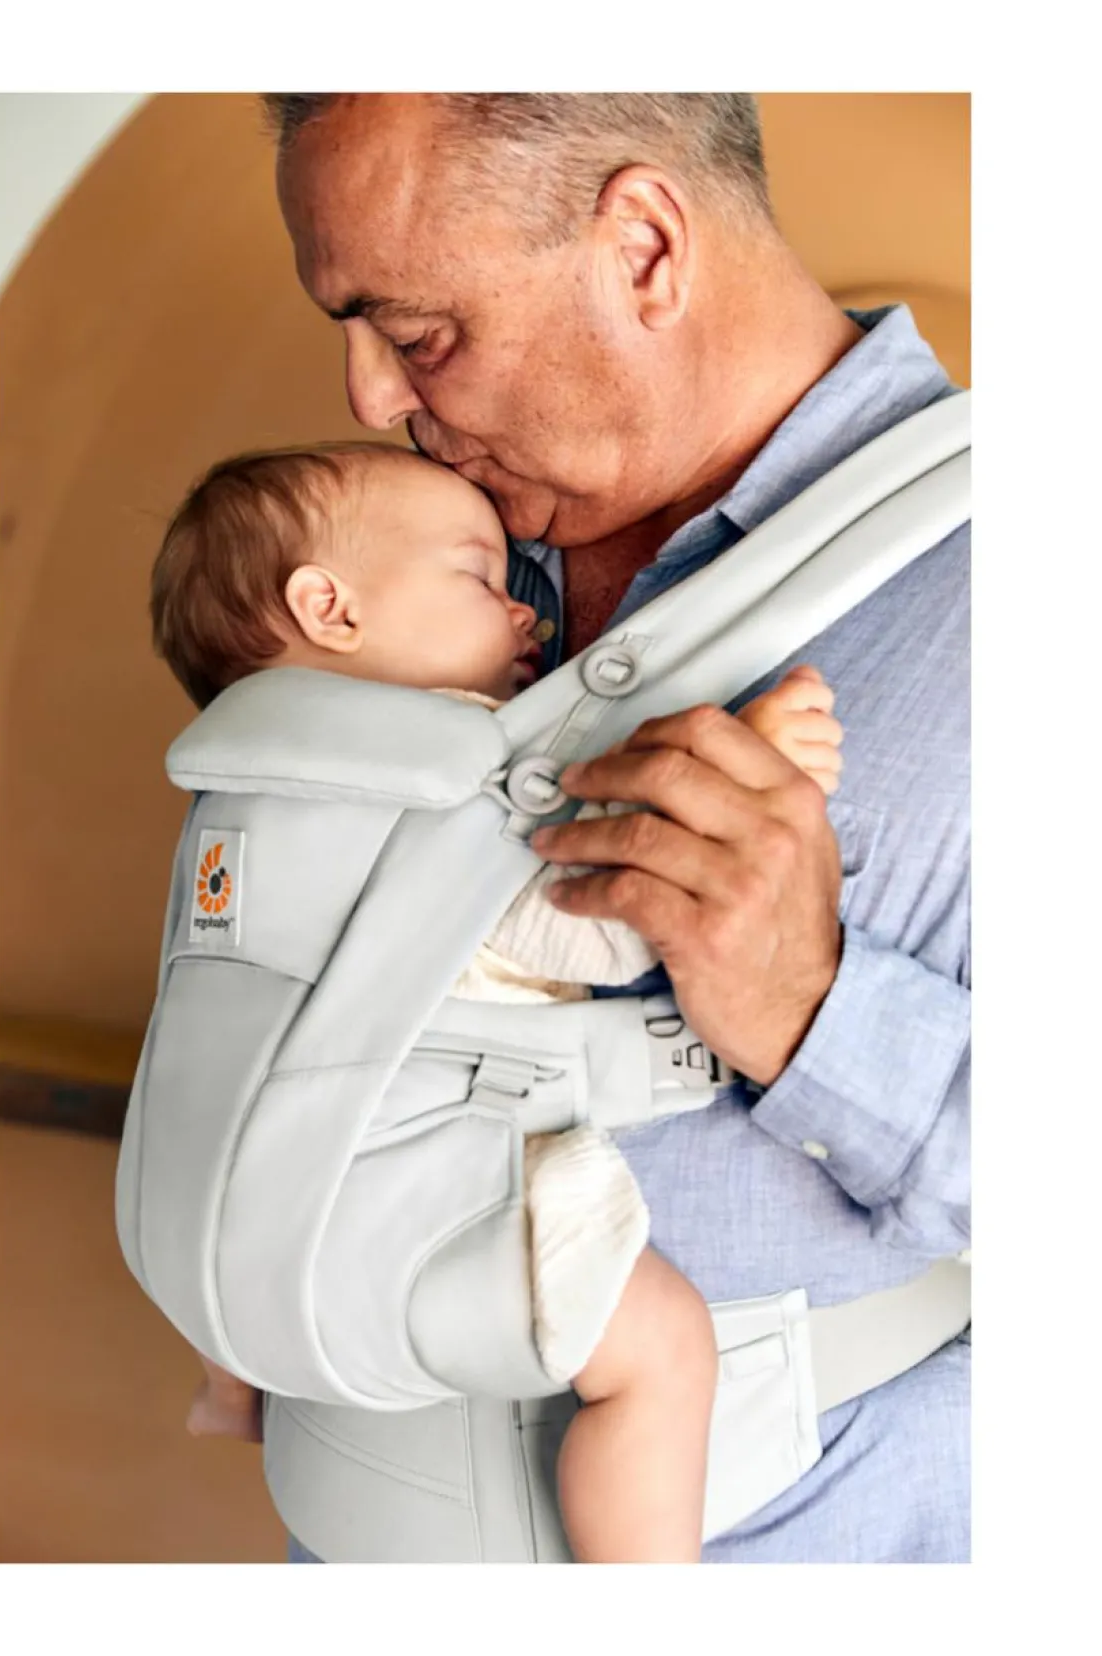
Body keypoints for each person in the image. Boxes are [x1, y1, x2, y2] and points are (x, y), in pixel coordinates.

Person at [259, 92, 971, 1565]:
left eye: (418, 333)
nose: (369, 397)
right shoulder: (404, 539)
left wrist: (813, 1002)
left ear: (643, 246)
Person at [148, 440, 844, 1563]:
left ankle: (234, 1384)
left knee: (247, 1156)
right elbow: (607, 924)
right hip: (409, 1198)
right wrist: (749, 780)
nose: (527, 612)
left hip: (230, 1215)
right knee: (665, 1350)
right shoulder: (444, 787)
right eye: (479, 575)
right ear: (330, 609)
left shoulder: (242, 789)